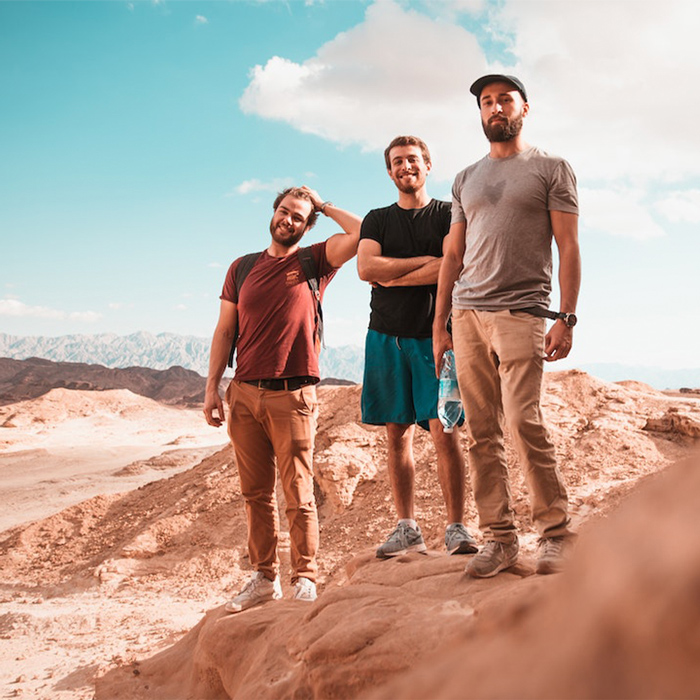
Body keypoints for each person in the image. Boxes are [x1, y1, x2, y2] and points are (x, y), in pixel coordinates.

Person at [433, 75, 581, 578]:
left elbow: (568, 245)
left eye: (504, 100)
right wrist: (441, 325)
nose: (495, 108)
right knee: (480, 432)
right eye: (487, 102)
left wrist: (567, 316)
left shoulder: (550, 168)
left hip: (523, 312)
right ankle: (499, 538)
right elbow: (453, 253)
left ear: (524, 107)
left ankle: (556, 534)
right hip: (467, 313)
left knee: (523, 422)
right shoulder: (465, 178)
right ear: (480, 113)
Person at [204, 186, 361, 611]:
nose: (287, 220)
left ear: (307, 225)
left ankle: (305, 577)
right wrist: (213, 388)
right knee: (255, 494)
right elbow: (224, 331)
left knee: (298, 492)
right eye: (283, 211)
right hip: (244, 393)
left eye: (297, 216)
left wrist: (324, 206)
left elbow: (362, 233)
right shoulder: (242, 268)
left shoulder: (313, 262)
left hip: (292, 395)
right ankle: (263, 578)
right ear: (273, 213)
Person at [357, 135, 478, 559]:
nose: (405, 166)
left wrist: (390, 275)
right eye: (397, 162)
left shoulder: (449, 214)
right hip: (385, 337)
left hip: (437, 338)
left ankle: (456, 528)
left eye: (412, 159)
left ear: (428, 165)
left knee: (445, 433)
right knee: (397, 435)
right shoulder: (376, 220)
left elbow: (456, 264)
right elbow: (366, 268)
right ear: (389, 172)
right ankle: (407, 527)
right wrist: (429, 266)